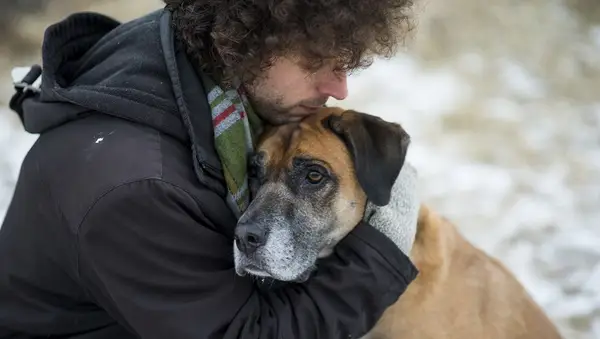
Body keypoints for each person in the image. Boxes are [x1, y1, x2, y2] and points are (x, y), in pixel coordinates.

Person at [0, 1, 419, 338]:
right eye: (317, 61)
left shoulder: (185, 67)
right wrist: (382, 251)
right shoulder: (139, 187)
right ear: (252, 40)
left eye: (344, 63)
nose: (339, 88)